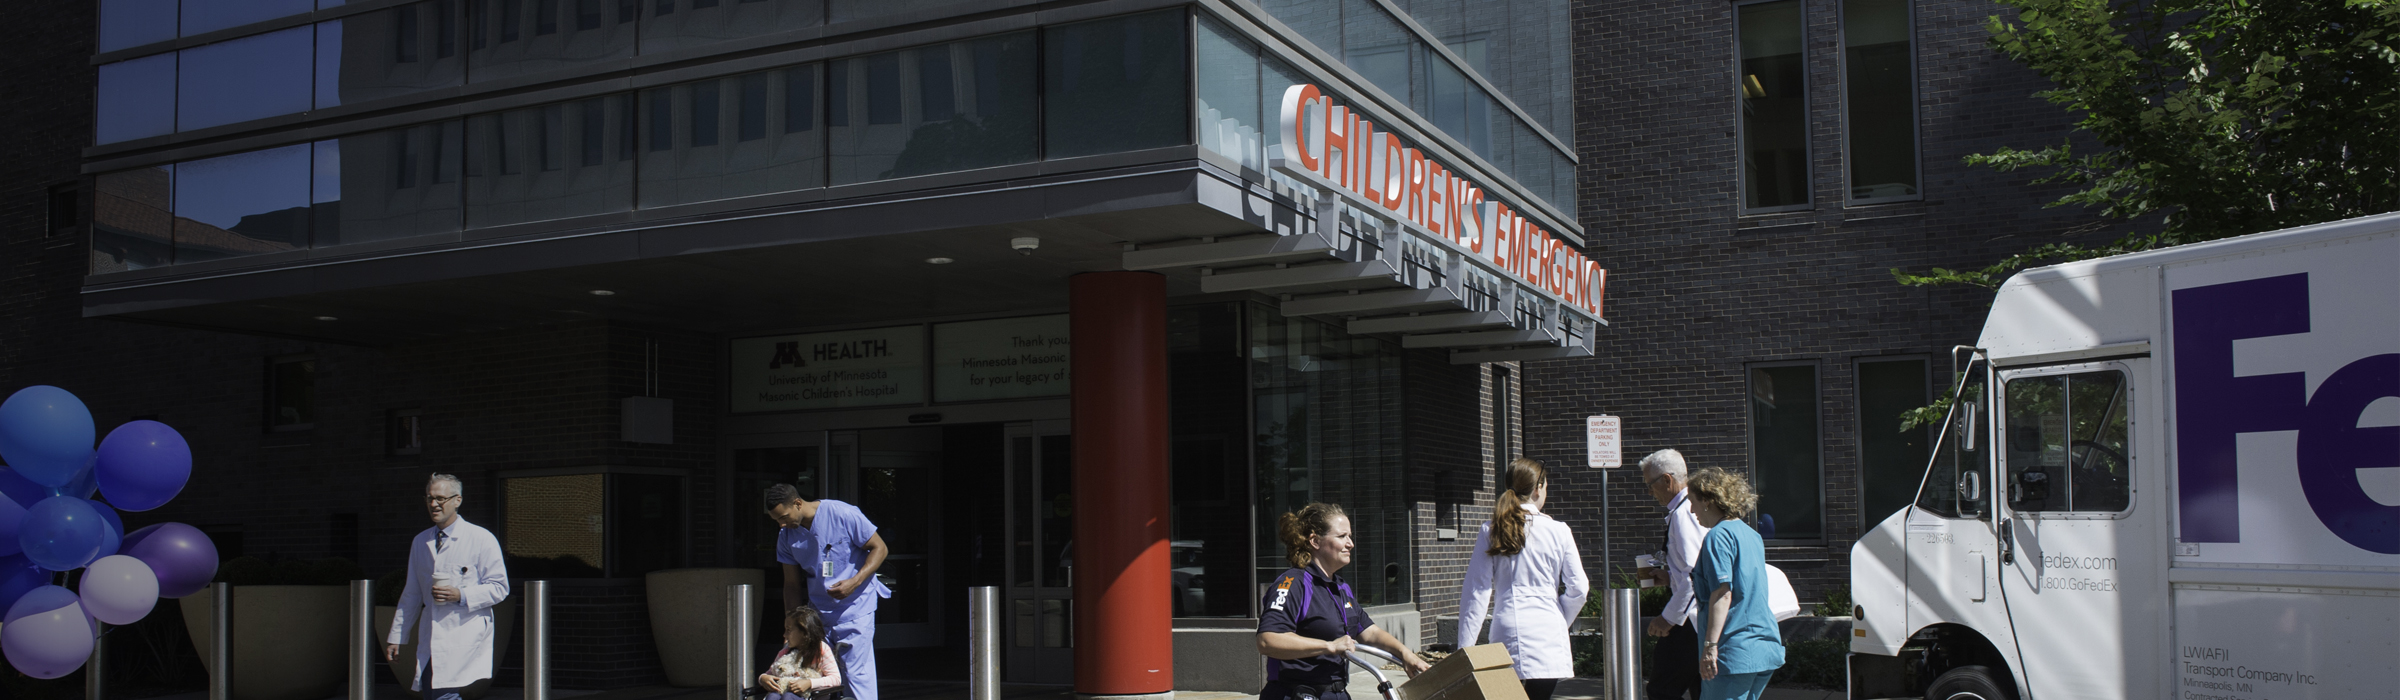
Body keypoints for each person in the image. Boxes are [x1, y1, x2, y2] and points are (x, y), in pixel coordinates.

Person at [1257, 502, 1431, 700]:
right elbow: (1267, 640)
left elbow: (1369, 631)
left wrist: (1405, 653)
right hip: (1295, 692)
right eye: (1342, 536)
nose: (1351, 544)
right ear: (1315, 541)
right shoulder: (1293, 583)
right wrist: (1329, 646)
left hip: (1336, 692)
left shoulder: (1340, 587)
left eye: (1350, 536)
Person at [1457, 458, 1589, 700]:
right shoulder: (1559, 531)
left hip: (1509, 629)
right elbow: (1579, 589)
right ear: (1538, 488)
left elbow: (1477, 591)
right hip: (1548, 630)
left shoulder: (1492, 528)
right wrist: (1560, 620)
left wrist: (1465, 648)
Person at [386, 473, 511, 700]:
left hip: (463, 631)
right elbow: (412, 593)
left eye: (441, 498)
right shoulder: (420, 542)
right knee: (432, 691)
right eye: (430, 498)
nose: (434, 504)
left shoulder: (481, 538)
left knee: (444, 695)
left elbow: (499, 587)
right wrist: (397, 635)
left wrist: (460, 594)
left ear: (458, 500)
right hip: (432, 633)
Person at [765, 484, 890, 700]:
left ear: (797, 503)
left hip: (855, 609)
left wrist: (855, 581)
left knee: (856, 676)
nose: (781, 524)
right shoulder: (786, 536)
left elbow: (880, 548)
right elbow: (792, 585)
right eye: (776, 520)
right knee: (814, 677)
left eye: (784, 517)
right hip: (818, 615)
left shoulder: (842, 514)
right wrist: (792, 626)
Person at [1684, 468, 1783, 700]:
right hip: (1763, 646)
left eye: (1693, 502)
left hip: (1733, 651)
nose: (1691, 510)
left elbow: (1722, 593)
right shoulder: (1751, 535)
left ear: (1707, 501)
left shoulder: (1717, 537)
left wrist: (1710, 646)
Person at [1638, 449, 1709, 700]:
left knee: (1661, 689)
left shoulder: (1683, 514)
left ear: (1667, 480)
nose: (1649, 492)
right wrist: (1670, 578)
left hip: (1689, 620)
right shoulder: (1689, 508)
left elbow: (1695, 577)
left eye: (1650, 485)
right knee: (1701, 689)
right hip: (1698, 617)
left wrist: (1667, 618)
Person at [760, 606, 842, 700]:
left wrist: (809, 683)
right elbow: (771, 672)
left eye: (788, 630)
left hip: (812, 696)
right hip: (787, 693)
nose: (784, 635)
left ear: (804, 632)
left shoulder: (821, 649)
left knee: (788, 697)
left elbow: (836, 679)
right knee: (772, 697)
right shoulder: (785, 651)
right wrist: (763, 678)